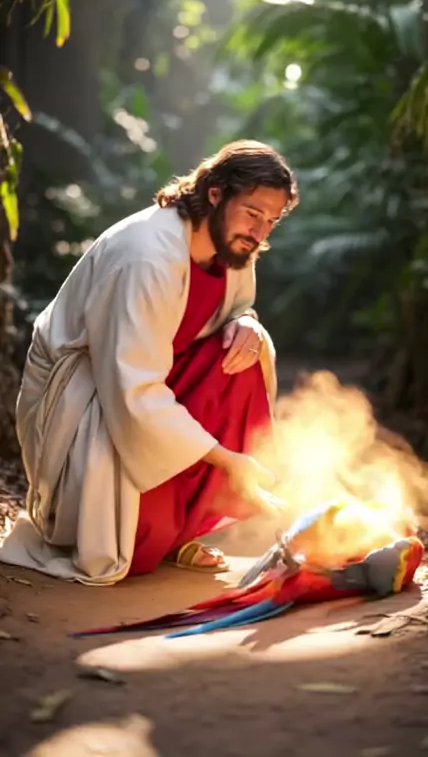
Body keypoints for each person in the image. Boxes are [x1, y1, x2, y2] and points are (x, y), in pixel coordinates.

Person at [0, 139, 299, 584]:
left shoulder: (233, 247)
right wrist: (227, 460)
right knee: (138, 546)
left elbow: (234, 310)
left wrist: (247, 323)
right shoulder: (146, 256)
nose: (259, 232)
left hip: (156, 383)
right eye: (252, 213)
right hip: (90, 396)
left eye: (271, 221)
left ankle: (186, 529)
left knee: (245, 353)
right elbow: (132, 387)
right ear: (215, 193)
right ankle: (151, 524)